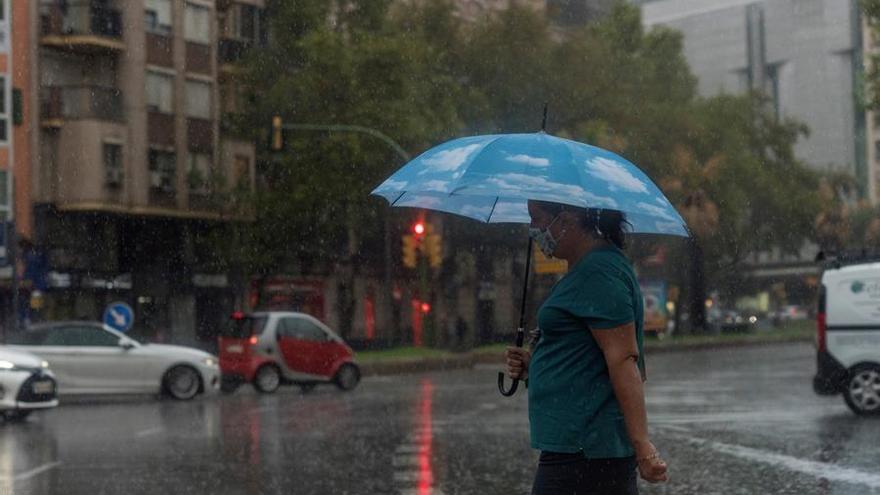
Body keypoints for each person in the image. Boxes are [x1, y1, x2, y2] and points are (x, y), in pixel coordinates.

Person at [505, 200, 668, 494]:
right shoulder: (586, 269)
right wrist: (537, 366)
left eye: (537, 219)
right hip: (577, 448)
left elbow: (623, 359)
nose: (533, 230)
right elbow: (586, 353)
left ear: (565, 220)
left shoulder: (599, 271)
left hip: (587, 452)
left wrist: (643, 446)